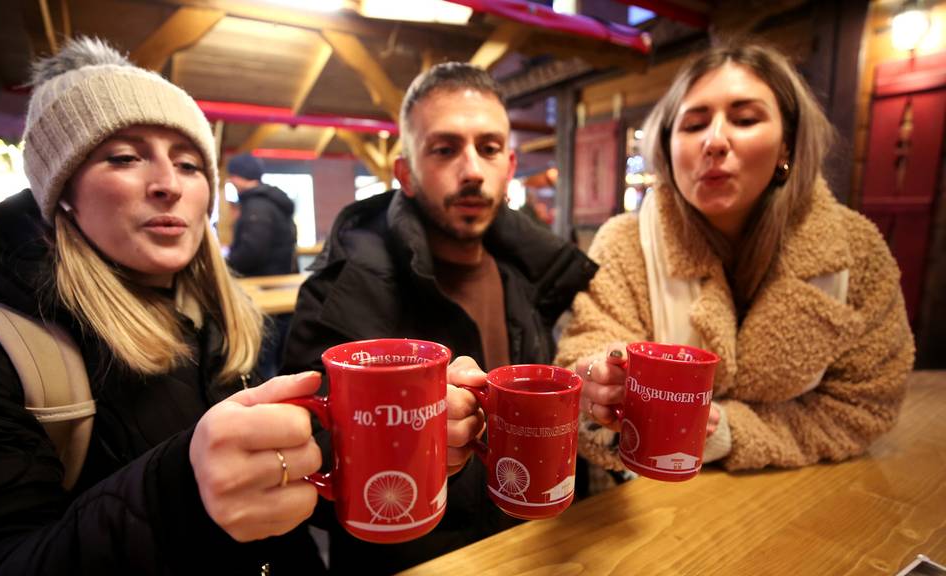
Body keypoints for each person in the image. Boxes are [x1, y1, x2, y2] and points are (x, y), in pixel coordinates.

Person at [0, 37, 328, 574]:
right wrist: (179, 493)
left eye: (188, 164)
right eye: (125, 157)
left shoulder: (214, 316)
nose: (168, 185)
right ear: (61, 191)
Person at [282, 62, 598, 573]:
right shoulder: (348, 284)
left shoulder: (530, 273)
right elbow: (303, 455)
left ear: (510, 165)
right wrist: (408, 435)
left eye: (489, 148)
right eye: (445, 149)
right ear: (405, 173)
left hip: (528, 553)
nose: (472, 169)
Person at [555, 42, 914, 475]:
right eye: (693, 125)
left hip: (804, 492)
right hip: (654, 500)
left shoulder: (855, 251)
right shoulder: (625, 241)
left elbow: (865, 405)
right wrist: (602, 381)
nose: (714, 141)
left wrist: (730, 432)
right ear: (668, 148)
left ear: (788, 144)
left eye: (745, 119)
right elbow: (589, 346)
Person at [226, 153, 298, 277]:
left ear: (241, 175)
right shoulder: (267, 201)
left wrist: (229, 262)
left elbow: (252, 251)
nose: (231, 181)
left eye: (233, 176)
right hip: (277, 278)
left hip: (264, 281)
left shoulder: (257, 206)